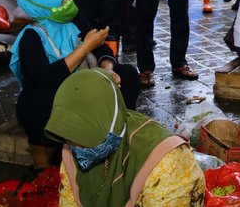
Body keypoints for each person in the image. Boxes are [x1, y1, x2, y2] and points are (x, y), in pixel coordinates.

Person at [9, 0, 140, 170]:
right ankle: (40, 152)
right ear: (44, 4)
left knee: (128, 74)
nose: (69, 1)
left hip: (82, 86)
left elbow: (101, 48)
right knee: (39, 100)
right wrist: (85, 47)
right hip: (53, 94)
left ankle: (116, 132)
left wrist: (108, 70)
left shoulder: (74, 19)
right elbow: (47, 78)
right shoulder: (31, 37)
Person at [46, 69, 204, 207]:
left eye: (84, 138)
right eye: (70, 137)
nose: (76, 148)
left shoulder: (167, 163)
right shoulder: (71, 150)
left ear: (109, 124)